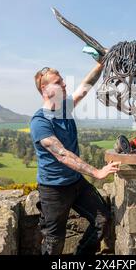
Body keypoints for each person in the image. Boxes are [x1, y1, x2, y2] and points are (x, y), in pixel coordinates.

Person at [30, 47, 121, 255]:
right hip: (53, 190)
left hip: (76, 183)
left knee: (102, 219)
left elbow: (84, 88)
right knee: (54, 242)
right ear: (45, 90)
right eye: (58, 82)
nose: (64, 84)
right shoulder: (40, 122)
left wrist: (101, 64)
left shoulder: (65, 107)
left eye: (62, 80)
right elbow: (62, 154)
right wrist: (97, 172)